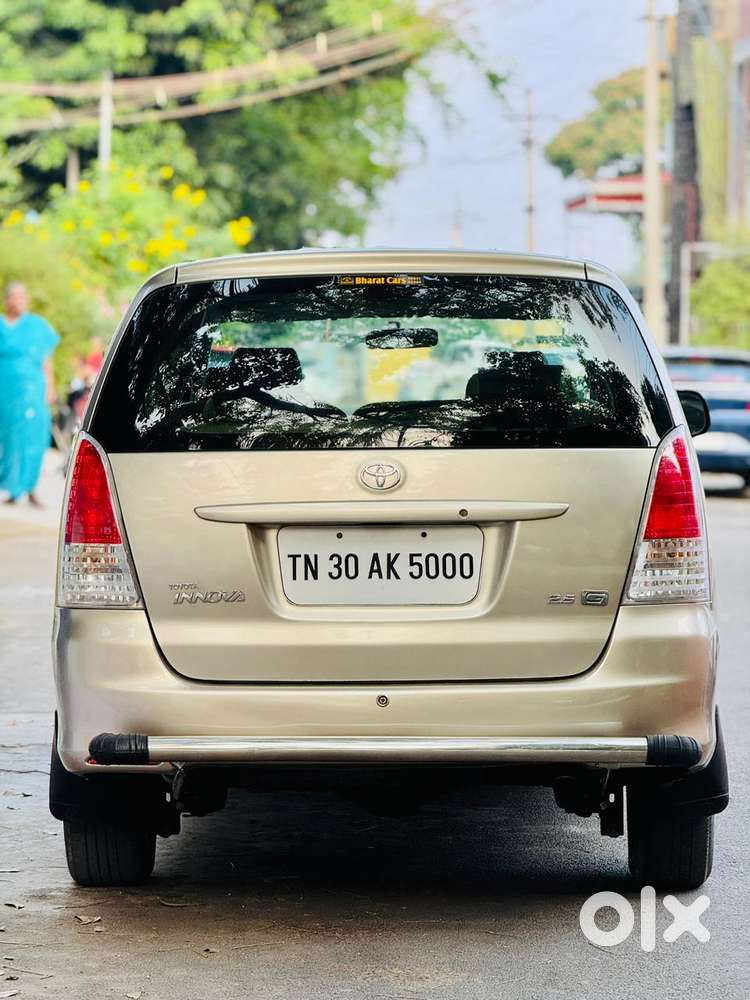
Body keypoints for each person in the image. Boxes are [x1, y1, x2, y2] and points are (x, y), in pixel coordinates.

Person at [0, 282, 59, 506]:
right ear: (7, 300)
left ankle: (30, 487)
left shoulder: (36, 326)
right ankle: (11, 487)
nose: (19, 300)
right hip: (5, 389)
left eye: (23, 296)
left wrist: (51, 387)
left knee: (34, 435)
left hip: (32, 389)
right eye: (15, 296)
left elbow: (47, 360)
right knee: (9, 436)